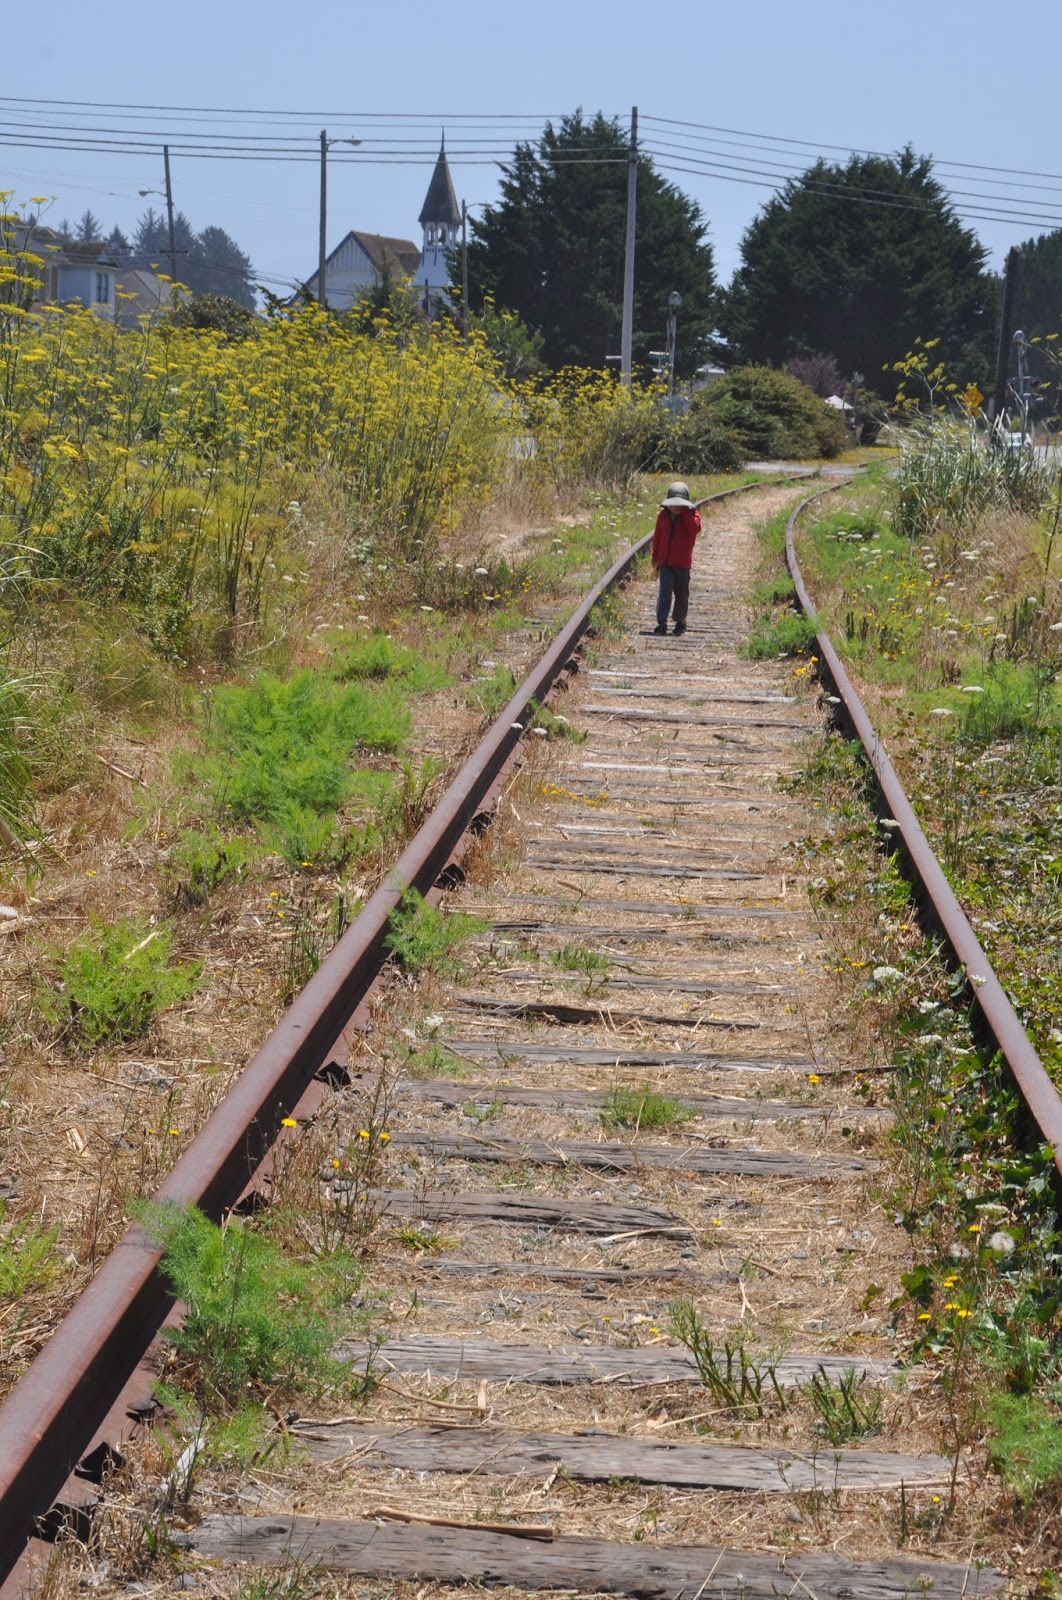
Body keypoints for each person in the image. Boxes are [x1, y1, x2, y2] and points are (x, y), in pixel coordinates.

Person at [651, 481, 701, 636]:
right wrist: (655, 558)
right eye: (673, 504)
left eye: (680, 505)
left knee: (681, 593)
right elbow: (658, 538)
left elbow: (695, 528)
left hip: (682, 564)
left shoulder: (692, 515)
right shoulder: (663, 516)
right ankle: (662, 622)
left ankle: (681, 622)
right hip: (665, 563)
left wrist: (686, 512)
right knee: (664, 592)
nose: (676, 507)